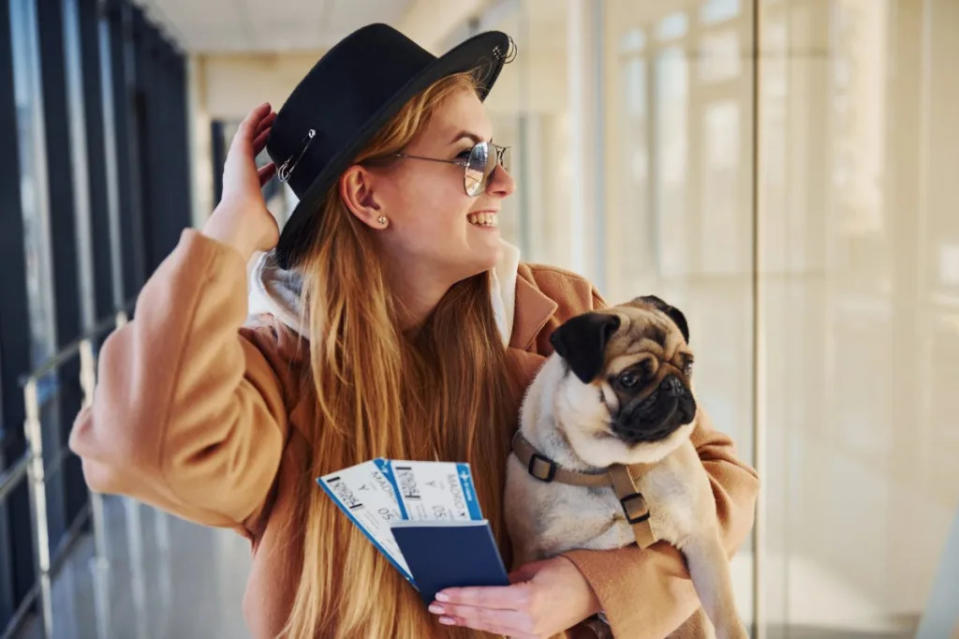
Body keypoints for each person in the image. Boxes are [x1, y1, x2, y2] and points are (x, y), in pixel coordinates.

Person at [69, 23, 758, 639]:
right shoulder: (276, 377)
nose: (504, 181)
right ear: (367, 196)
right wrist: (228, 235)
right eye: (470, 158)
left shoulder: (554, 311)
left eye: (496, 151)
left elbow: (722, 485)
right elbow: (137, 444)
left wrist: (587, 585)